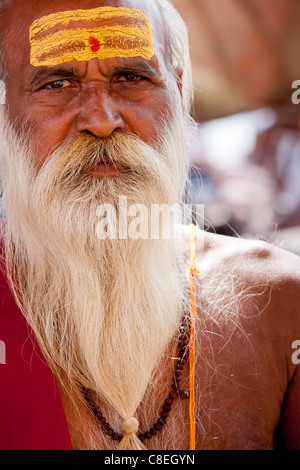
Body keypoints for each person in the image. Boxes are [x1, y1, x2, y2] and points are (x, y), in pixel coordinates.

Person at [0, 0, 299, 451]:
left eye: (131, 78)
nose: (102, 120)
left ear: (177, 93)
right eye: (57, 83)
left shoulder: (280, 302)